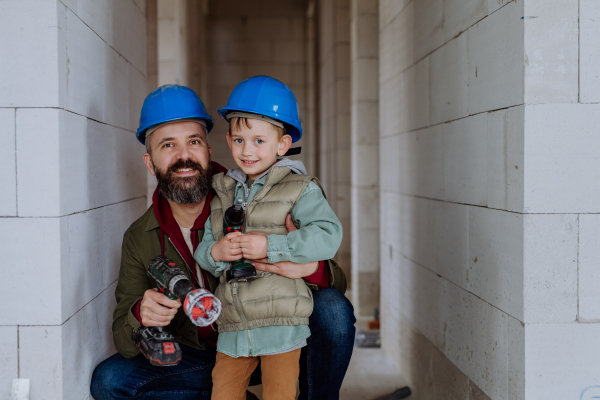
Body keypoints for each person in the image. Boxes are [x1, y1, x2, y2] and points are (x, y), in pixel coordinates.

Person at [90, 84, 356, 400]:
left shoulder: (251, 195)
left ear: (209, 149)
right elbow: (123, 336)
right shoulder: (139, 237)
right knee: (109, 382)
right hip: (208, 355)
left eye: (193, 142)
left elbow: (336, 281)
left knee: (333, 310)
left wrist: (301, 265)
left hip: (275, 333)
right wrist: (140, 312)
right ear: (150, 162)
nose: (184, 156)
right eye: (168, 145)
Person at [194, 75, 343, 400]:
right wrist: (217, 252)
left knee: (280, 394)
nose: (247, 151)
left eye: (259, 141)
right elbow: (203, 251)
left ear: (282, 144)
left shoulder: (300, 188)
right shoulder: (223, 192)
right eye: (238, 140)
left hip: (281, 323)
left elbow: (328, 236)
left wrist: (271, 246)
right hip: (233, 326)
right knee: (222, 394)